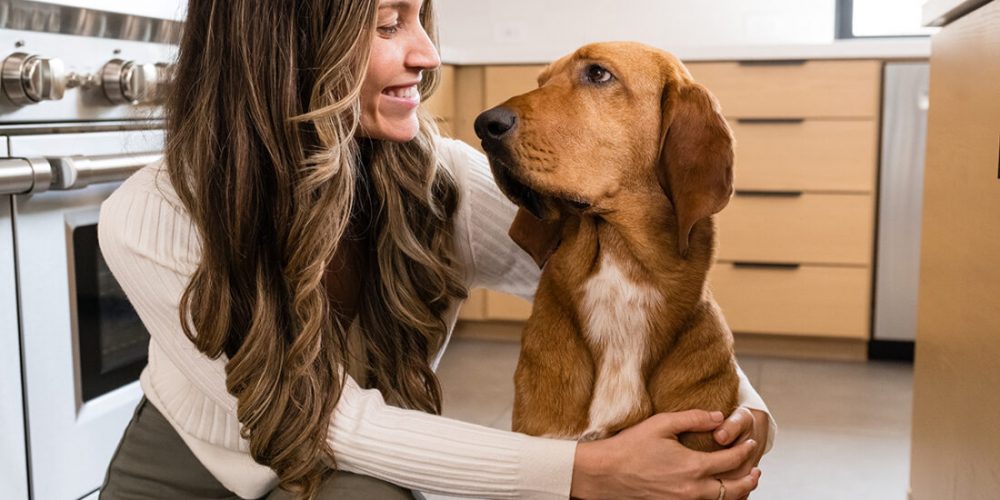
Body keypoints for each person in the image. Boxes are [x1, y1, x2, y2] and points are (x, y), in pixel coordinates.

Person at [97, 0, 775, 499]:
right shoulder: (147, 216)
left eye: (422, 19)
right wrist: (585, 474)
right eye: (390, 25)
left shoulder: (444, 185)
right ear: (288, 44)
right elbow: (326, 421)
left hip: (351, 475)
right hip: (194, 462)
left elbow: (652, 295)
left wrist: (740, 416)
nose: (426, 56)